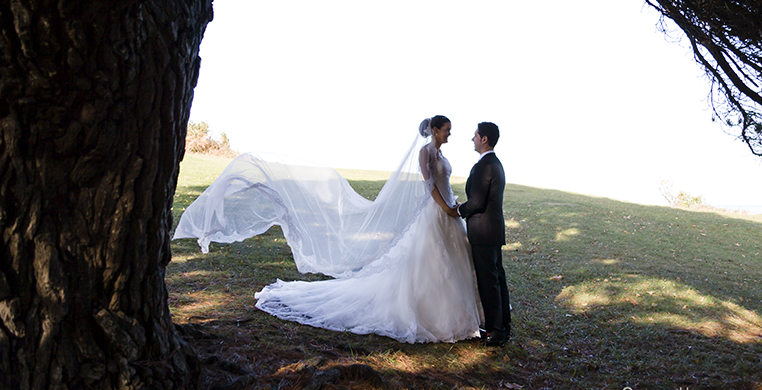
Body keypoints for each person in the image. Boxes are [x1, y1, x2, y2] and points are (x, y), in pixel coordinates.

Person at [174, 116, 483, 343]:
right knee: (431, 261)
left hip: (450, 212)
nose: (450, 135)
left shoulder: (443, 155)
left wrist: (453, 208)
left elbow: (443, 182)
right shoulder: (425, 153)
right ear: (434, 131)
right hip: (437, 211)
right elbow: (429, 185)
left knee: (452, 260)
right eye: (447, 131)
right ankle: (432, 313)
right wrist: (445, 207)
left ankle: (463, 315)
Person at [456, 122, 510, 346]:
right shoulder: (495, 164)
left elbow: (477, 202)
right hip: (493, 231)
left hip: (484, 233)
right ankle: (502, 326)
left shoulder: (484, 166)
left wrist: (458, 210)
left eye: (475, 135)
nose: (473, 139)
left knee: (489, 282)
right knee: (497, 279)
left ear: (484, 139)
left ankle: (494, 331)